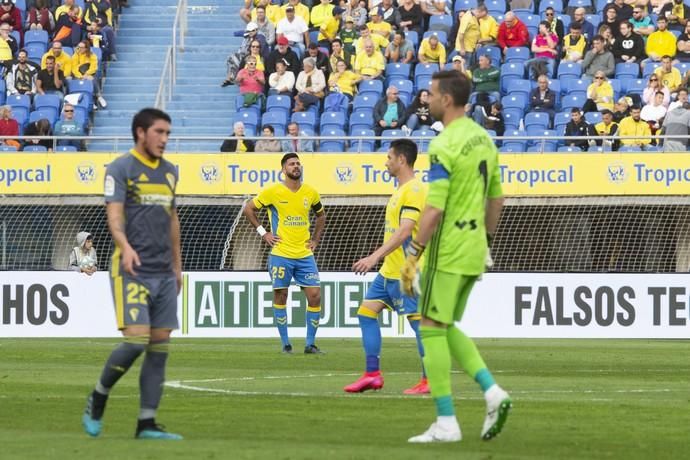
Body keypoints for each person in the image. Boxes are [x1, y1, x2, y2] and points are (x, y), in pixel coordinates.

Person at [401, 70, 511, 444]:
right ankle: (492, 392)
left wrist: (414, 253)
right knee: (443, 325)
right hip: (475, 248)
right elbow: (497, 199)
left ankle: (446, 421)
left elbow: (433, 209)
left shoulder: (445, 143)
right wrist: (487, 242)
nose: (427, 100)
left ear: (447, 99)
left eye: (431, 94)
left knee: (430, 327)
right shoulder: (485, 139)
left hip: (446, 251)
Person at [81, 108, 183, 440]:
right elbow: (114, 216)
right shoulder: (121, 167)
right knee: (137, 339)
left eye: (168, 133)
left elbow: (172, 220)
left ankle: (147, 423)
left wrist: (178, 267)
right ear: (141, 132)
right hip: (132, 268)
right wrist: (125, 246)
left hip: (164, 271)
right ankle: (98, 396)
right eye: (159, 132)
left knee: (159, 346)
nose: (165, 139)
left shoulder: (170, 172)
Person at [345, 139, 429, 395]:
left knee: (421, 326)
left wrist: (373, 257)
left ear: (402, 160)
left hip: (407, 271)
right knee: (366, 313)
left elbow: (404, 231)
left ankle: (430, 379)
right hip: (389, 273)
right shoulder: (400, 190)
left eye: (389, 157)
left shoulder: (414, 189)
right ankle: (372, 375)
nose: (386, 162)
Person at [242, 153, 326, 354]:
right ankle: (286, 343)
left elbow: (321, 215)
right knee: (281, 295)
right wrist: (264, 233)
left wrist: (315, 239)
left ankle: (310, 344)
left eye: (298, 163)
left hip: (304, 255)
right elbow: (248, 209)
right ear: (283, 169)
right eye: (291, 164)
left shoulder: (311, 192)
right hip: (281, 253)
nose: (296, 166)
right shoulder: (273, 192)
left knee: (315, 296)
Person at [71, 40, 107, 109]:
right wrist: (81, 76)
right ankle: (91, 101)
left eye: (81, 47)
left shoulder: (92, 56)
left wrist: (86, 75)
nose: (79, 49)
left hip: (90, 74)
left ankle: (99, 96)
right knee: (80, 82)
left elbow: (93, 68)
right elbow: (74, 68)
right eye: (78, 47)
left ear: (86, 48)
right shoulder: (75, 56)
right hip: (78, 75)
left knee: (92, 79)